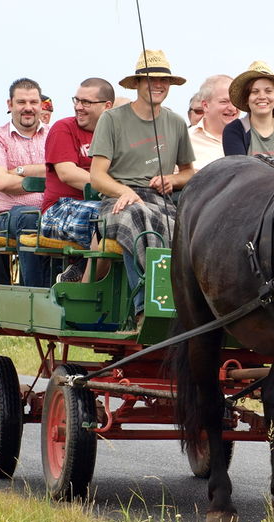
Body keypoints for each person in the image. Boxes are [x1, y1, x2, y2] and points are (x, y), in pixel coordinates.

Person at [90, 49, 194, 323]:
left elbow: (188, 172)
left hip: (161, 200)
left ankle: (187, 302)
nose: (158, 85)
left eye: (164, 80)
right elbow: (97, 177)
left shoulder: (176, 122)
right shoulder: (112, 120)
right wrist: (125, 191)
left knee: (187, 226)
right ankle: (145, 308)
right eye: (151, 79)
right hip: (117, 201)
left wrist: (172, 179)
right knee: (138, 215)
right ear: (136, 83)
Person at [39, 78, 114, 282]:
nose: (78, 107)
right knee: (108, 219)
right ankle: (84, 292)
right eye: (77, 100)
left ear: (107, 106)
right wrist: (116, 187)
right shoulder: (64, 128)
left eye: (86, 102)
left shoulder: (116, 133)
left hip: (104, 204)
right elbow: (67, 173)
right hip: (58, 210)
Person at [0, 77, 50, 286]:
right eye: (21, 102)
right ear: (10, 105)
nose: (28, 108)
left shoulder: (55, 134)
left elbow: (66, 172)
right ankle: (34, 294)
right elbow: (0, 182)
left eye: (33, 102)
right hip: (9, 216)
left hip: (53, 210)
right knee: (29, 217)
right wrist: (49, 176)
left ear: (40, 106)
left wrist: (22, 171)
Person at [187, 75, 239, 170]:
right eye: (224, 102)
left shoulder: (252, 137)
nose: (233, 108)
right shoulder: (185, 140)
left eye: (236, 101)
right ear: (205, 105)